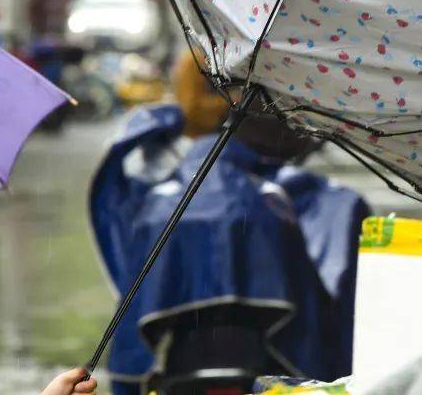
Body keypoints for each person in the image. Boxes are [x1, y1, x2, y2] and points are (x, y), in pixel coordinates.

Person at [89, 56, 370, 394]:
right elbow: (312, 323)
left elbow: (135, 323)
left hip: (188, 365)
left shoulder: (162, 205)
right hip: (258, 364)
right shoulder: (277, 203)